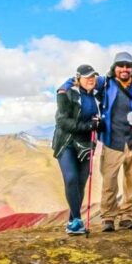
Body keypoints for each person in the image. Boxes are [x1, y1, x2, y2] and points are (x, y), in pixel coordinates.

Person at [58, 52, 132, 232]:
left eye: (127, 66)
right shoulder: (104, 82)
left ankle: (127, 216)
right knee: (109, 181)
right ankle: (108, 217)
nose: (124, 69)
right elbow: (82, 80)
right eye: (121, 65)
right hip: (112, 140)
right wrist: (63, 88)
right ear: (115, 67)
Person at [51, 64, 102, 235]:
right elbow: (62, 120)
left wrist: (99, 124)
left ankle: (72, 220)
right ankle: (78, 221)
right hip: (66, 143)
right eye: (87, 76)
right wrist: (88, 126)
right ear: (78, 78)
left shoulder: (97, 96)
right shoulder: (70, 93)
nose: (91, 79)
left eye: (93, 76)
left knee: (80, 182)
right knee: (71, 178)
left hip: (86, 145)